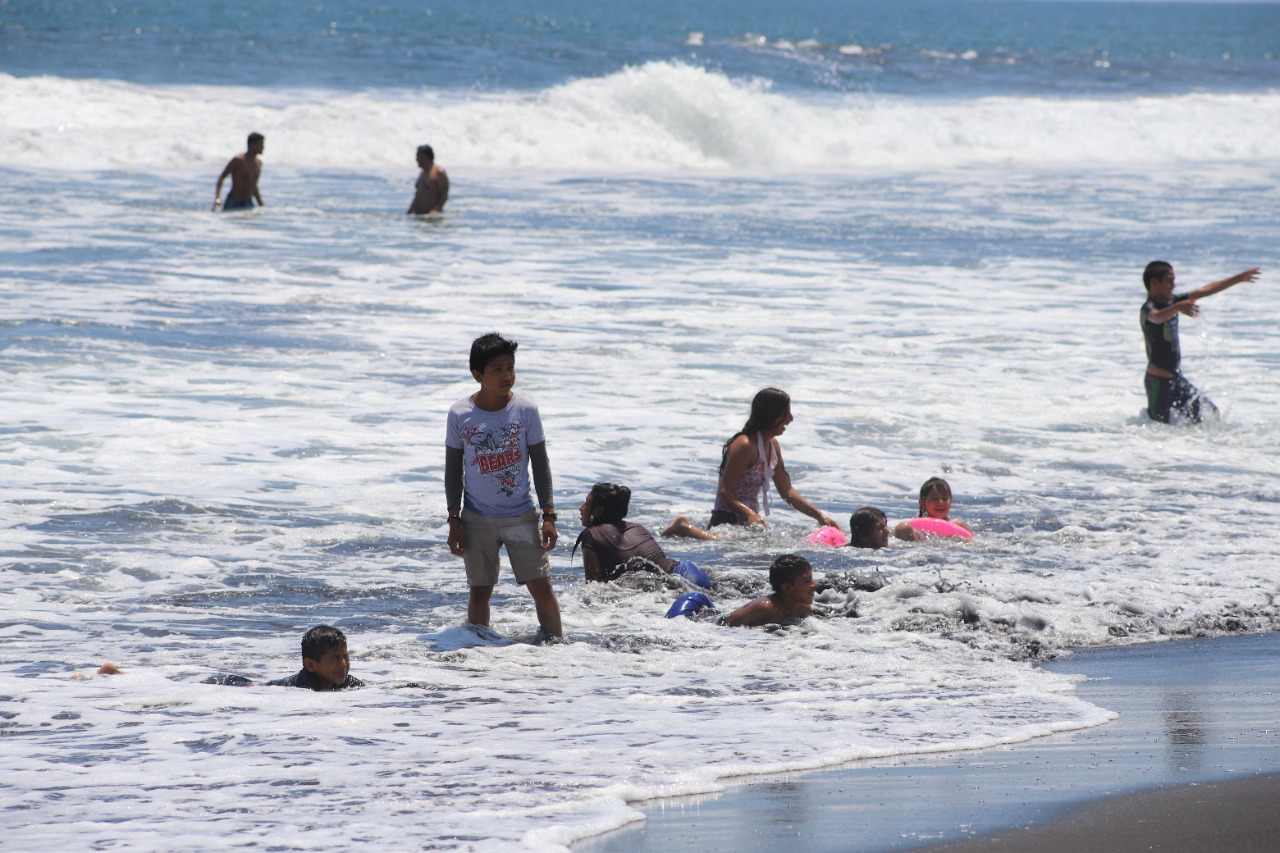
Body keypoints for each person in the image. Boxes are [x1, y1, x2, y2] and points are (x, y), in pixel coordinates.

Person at [445, 332, 563, 640]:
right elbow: (453, 470)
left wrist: (549, 515)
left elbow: (540, 463)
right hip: (476, 518)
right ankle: (478, 654)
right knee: (480, 591)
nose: (507, 375)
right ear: (477, 374)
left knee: (542, 587)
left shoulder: (525, 411)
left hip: (521, 515)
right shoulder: (460, 414)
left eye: (510, 367)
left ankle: (560, 650)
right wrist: (454, 519)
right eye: (496, 369)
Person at [662, 388, 839, 540]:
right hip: (726, 519)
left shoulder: (772, 445)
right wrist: (749, 514)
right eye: (786, 413)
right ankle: (684, 527)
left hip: (749, 520)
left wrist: (820, 516)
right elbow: (724, 492)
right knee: (727, 545)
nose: (790, 419)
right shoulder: (744, 445)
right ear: (772, 415)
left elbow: (787, 491)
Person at [1140, 261, 1261, 424]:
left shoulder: (1172, 302)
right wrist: (1176, 308)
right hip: (1158, 383)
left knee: (1210, 414)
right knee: (1157, 429)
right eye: (1170, 280)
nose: (1174, 285)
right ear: (1154, 283)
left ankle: (1195, 447)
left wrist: (1238, 278)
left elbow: (1205, 290)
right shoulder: (1148, 308)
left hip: (1177, 380)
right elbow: (1157, 317)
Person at [574, 482, 710, 586]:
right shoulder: (636, 527)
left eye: (586, 503)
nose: (581, 508)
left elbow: (594, 586)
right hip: (689, 572)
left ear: (598, 511)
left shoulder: (591, 535)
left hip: (672, 585)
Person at [723, 554, 816, 627]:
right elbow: (727, 624)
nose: (814, 584)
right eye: (807, 581)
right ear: (787, 588)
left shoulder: (802, 608)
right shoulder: (765, 609)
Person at [266, 625, 365, 690]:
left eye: (345, 656)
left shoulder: (348, 681)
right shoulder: (301, 688)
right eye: (335, 658)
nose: (343, 664)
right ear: (310, 665)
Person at [894, 477, 971, 541]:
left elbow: (974, 544)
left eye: (944, 499)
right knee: (902, 527)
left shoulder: (957, 525)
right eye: (934, 499)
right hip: (920, 552)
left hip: (948, 554)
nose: (940, 502)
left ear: (951, 500)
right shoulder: (916, 528)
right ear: (923, 503)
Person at [213, 132, 265, 211]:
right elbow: (221, 178)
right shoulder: (238, 160)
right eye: (261, 144)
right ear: (252, 144)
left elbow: (253, 186)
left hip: (248, 202)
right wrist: (217, 200)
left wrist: (261, 204)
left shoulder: (258, 163)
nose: (263, 147)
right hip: (233, 201)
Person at [407, 144, 449, 214]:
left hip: (432, 218)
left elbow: (444, 196)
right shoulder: (422, 174)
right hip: (419, 216)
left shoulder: (439, 172)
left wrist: (435, 211)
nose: (416, 159)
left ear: (425, 157)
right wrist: (409, 212)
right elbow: (418, 196)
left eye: (418, 156)